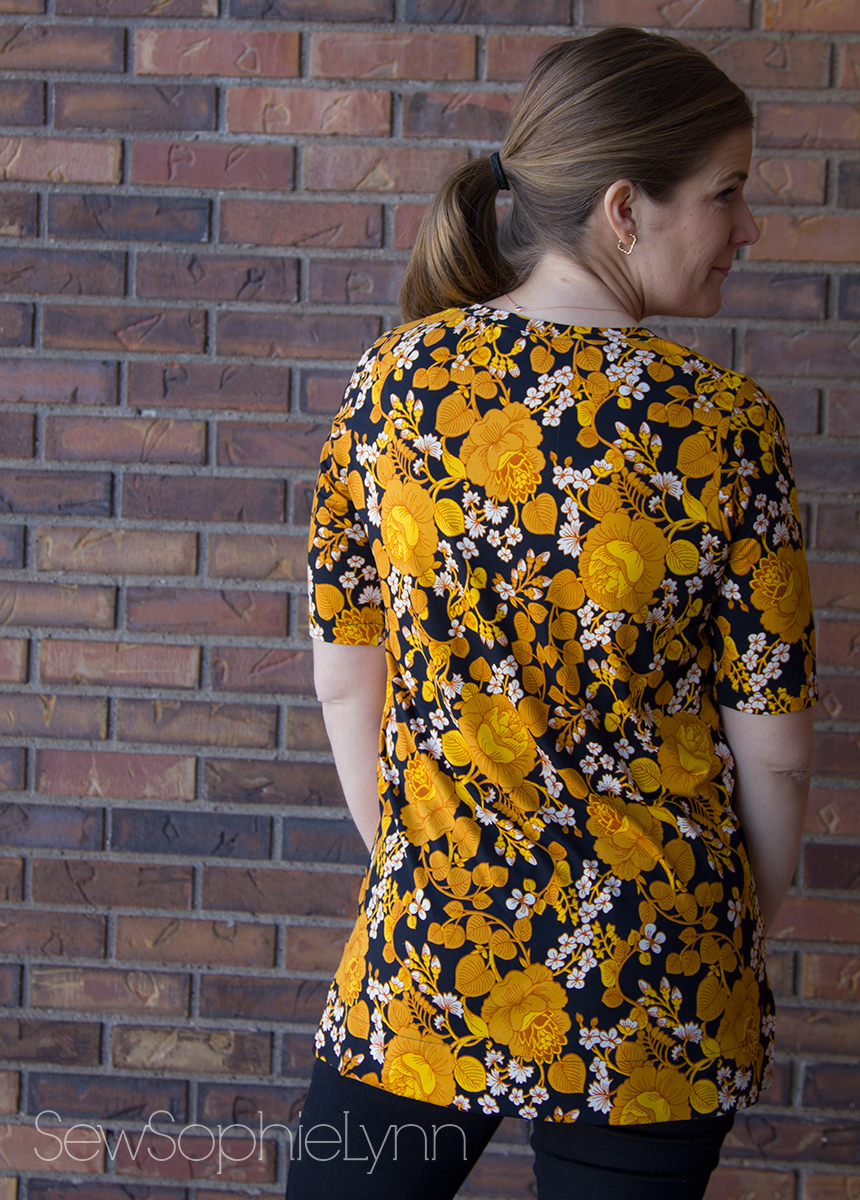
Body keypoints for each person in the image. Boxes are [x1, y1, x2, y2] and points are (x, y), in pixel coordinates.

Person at [291, 25, 817, 1200]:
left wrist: (426, 874)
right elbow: (775, 753)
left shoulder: (393, 385)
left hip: (433, 950)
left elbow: (344, 680)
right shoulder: (722, 426)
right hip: (657, 974)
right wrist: (726, 924)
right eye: (725, 193)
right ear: (624, 208)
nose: (746, 228)